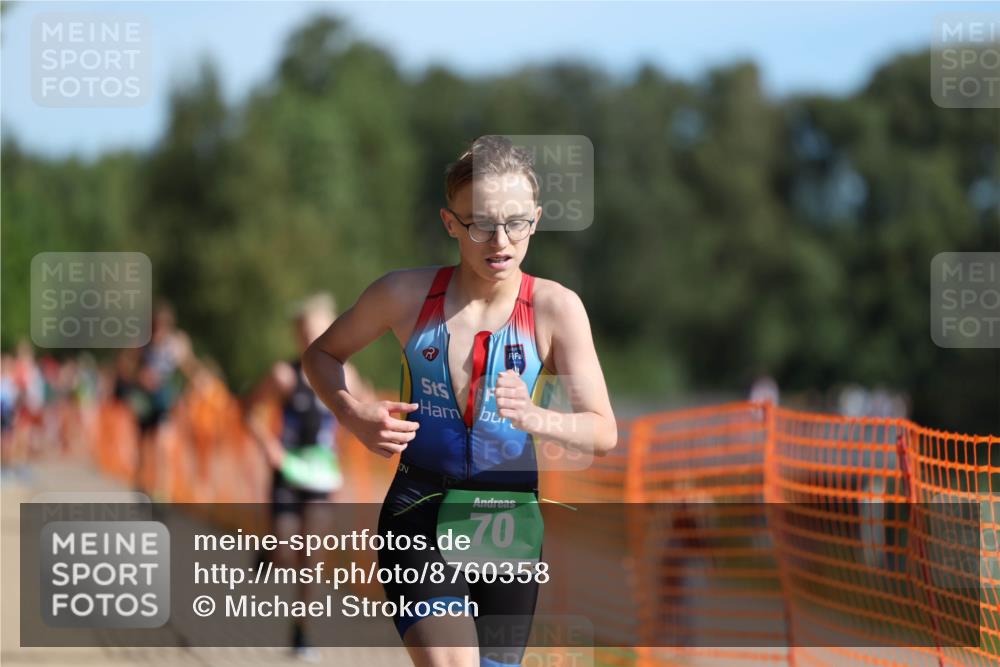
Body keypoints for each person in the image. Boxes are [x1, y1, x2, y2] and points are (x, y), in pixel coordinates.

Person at [302, 136, 617, 667]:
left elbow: (603, 430)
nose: (501, 240)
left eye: (516, 222)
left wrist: (536, 416)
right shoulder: (403, 295)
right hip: (420, 509)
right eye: (481, 223)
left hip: (508, 521)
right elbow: (321, 355)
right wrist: (352, 413)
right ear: (451, 223)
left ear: (537, 219)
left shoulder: (555, 308)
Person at [246, 292, 373, 661]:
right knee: (286, 552)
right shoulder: (283, 375)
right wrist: (268, 446)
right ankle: (269, 548)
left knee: (312, 557)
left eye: (318, 333)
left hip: (321, 476)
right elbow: (249, 412)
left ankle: (302, 633)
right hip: (287, 471)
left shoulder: (346, 374)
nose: (311, 340)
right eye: (304, 333)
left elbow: (364, 415)